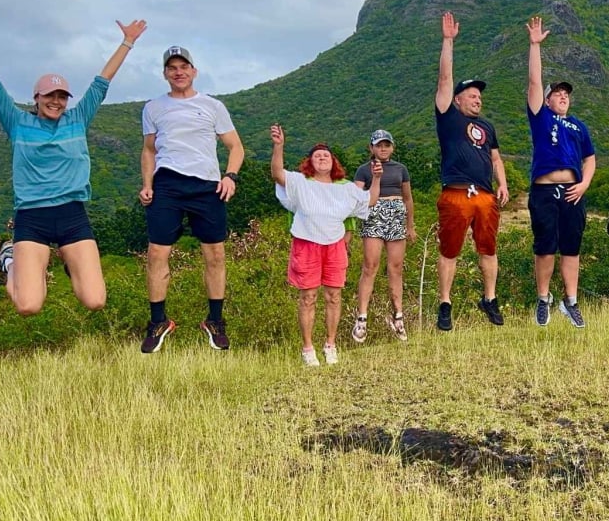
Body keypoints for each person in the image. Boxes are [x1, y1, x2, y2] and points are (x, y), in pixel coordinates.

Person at [0, 4, 145, 316]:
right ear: (37, 98)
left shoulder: (78, 119)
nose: (56, 102)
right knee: (29, 306)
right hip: (32, 217)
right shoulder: (18, 122)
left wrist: (127, 41)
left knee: (95, 300)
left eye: (61, 97)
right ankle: (9, 261)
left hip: (73, 216)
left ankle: (69, 263)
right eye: (49, 96)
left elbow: (103, 81)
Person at [138, 46, 245, 353]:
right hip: (167, 184)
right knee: (156, 252)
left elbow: (236, 146)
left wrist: (230, 176)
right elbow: (149, 150)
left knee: (215, 253)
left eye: (184, 67)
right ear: (165, 74)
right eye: (172, 68)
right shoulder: (153, 108)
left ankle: (215, 321)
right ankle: (158, 322)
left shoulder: (213, 106)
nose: (179, 72)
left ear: (194, 71)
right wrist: (147, 185)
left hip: (207, 185)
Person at [270, 124, 380, 366]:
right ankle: (308, 348)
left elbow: (370, 200)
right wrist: (279, 146)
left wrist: (377, 178)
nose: (322, 158)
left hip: (335, 246)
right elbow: (278, 174)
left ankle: (331, 345)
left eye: (326, 155)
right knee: (308, 297)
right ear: (310, 162)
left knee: (334, 296)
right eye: (317, 155)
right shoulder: (301, 183)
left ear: (333, 162)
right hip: (306, 244)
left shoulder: (346, 189)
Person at [433, 11, 509, 331]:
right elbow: (444, 80)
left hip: (485, 196)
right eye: (472, 95)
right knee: (450, 250)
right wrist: (448, 41)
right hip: (456, 192)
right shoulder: (449, 117)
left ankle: (489, 298)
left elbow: (496, 158)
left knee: (488, 248)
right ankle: (445, 303)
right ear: (458, 99)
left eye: (480, 96)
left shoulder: (487, 126)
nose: (478, 100)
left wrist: (503, 184)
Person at [524, 16, 597, 327]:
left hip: (572, 191)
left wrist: (584, 184)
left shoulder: (579, 125)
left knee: (571, 247)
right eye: (557, 93)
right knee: (545, 247)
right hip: (543, 190)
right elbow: (534, 83)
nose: (563, 96)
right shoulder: (541, 117)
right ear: (547, 99)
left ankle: (571, 301)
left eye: (566, 93)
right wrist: (535, 46)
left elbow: (590, 159)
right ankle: (543, 299)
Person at [351, 130, 416, 342]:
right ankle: (362, 317)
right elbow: (357, 197)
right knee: (370, 266)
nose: (383, 148)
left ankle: (398, 316)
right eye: (379, 145)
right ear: (371, 148)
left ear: (392, 147)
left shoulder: (401, 169)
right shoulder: (363, 170)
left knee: (396, 267)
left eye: (386, 145)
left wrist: (410, 226)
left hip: (396, 214)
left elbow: (408, 198)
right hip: (374, 213)